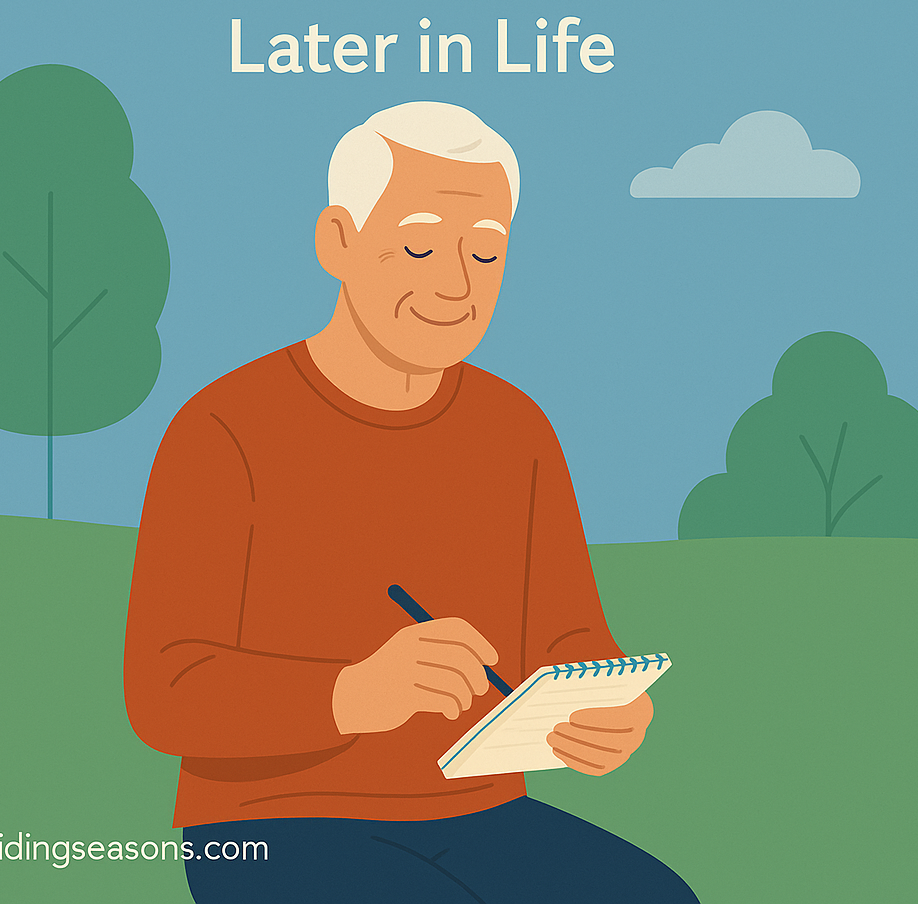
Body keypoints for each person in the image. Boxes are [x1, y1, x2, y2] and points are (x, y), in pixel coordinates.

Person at [123, 102, 699, 902]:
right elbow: (166, 692)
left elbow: (569, 635)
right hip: (267, 824)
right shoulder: (224, 428)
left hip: (481, 812)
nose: (457, 285)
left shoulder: (517, 429)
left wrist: (601, 709)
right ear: (339, 241)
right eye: (420, 246)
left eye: (486, 252)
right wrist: (352, 694)